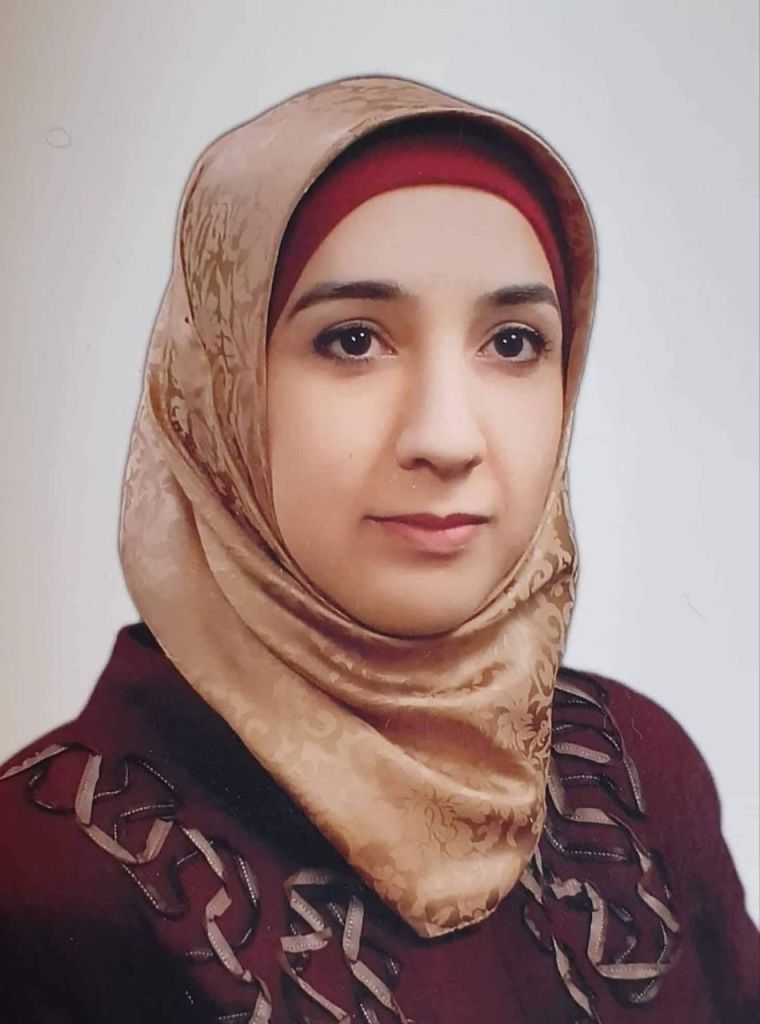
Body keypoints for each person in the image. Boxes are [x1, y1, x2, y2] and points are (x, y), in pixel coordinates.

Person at [0, 74, 756, 1024]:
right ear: (217, 387)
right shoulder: (42, 877)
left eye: (513, 342)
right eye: (353, 340)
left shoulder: (635, 770)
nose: (446, 437)